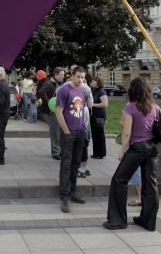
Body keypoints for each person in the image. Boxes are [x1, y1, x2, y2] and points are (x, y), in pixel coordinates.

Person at [103, 77, 161, 231]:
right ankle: (148, 221)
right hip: (152, 148)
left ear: (132, 90)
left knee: (119, 180)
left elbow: (126, 132)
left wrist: (122, 151)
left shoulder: (130, 107)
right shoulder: (154, 107)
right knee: (150, 184)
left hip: (137, 148)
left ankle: (118, 220)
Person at [56, 66, 92, 213]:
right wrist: (66, 131)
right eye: (78, 77)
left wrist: (83, 129)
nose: (81, 80)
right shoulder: (64, 90)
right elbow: (59, 112)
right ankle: (64, 195)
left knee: (76, 163)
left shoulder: (82, 91)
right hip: (68, 133)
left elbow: (83, 111)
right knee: (66, 163)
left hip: (80, 132)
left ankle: (73, 189)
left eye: (83, 77)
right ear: (72, 76)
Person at [38, 67, 65, 160]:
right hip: (52, 111)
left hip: (59, 110)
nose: (63, 76)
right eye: (61, 74)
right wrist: (49, 103)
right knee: (55, 132)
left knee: (60, 131)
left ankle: (59, 150)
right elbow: (41, 91)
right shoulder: (49, 83)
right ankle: (56, 152)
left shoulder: (59, 83)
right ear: (56, 74)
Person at [90, 77, 108, 159]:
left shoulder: (101, 91)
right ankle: (96, 153)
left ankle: (101, 153)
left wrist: (93, 105)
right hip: (94, 115)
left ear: (97, 82)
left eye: (93, 81)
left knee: (99, 134)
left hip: (99, 116)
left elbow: (105, 104)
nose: (92, 82)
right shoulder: (93, 90)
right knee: (94, 134)